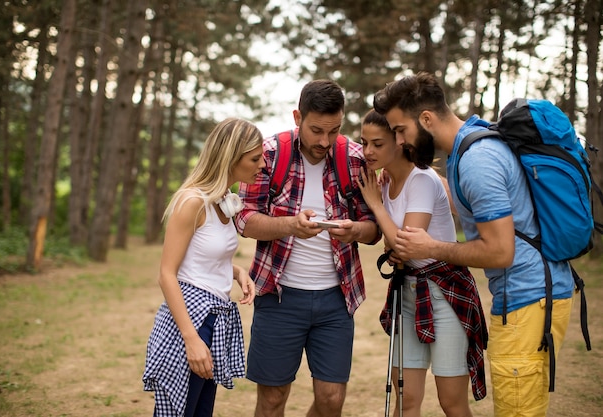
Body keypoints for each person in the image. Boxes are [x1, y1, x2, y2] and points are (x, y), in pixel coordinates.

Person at [372, 72, 575, 417]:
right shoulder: (466, 149)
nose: (400, 141)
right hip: (528, 296)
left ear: (426, 119)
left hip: (528, 297)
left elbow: (500, 251)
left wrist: (431, 247)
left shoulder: (476, 160)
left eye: (400, 130)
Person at [234, 79, 381, 417]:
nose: (324, 141)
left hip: (336, 299)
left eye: (334, 130)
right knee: (272, 400)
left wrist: (356, 230)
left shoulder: (355, 160)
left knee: (331, 400)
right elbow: (244, 220)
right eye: (316, 130)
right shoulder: (269, 155)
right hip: (278, 296)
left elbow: (375, 230)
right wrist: (291, 225)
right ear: (298, 117)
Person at [357, 109, 487, 416]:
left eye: (377, 143)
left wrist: (376, 206)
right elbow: (396, 245)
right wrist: (389, 228)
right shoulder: (386, 183)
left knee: (451, 402)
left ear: (400, 141)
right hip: (408, 294)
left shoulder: (423, 180)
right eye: (364, 143)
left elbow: (406, 246)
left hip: (444, 294)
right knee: (406, 398)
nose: (367, 152)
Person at [142, 118, 265, 417]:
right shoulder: (192, 202)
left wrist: (236, 271)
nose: (262, 164)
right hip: (192, 320)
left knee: (200, 411)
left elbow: (202, 256)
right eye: (255, 158)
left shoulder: (222, 201)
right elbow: (167, 274)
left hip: (214, 318)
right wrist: (191, 338)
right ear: (231, 157)